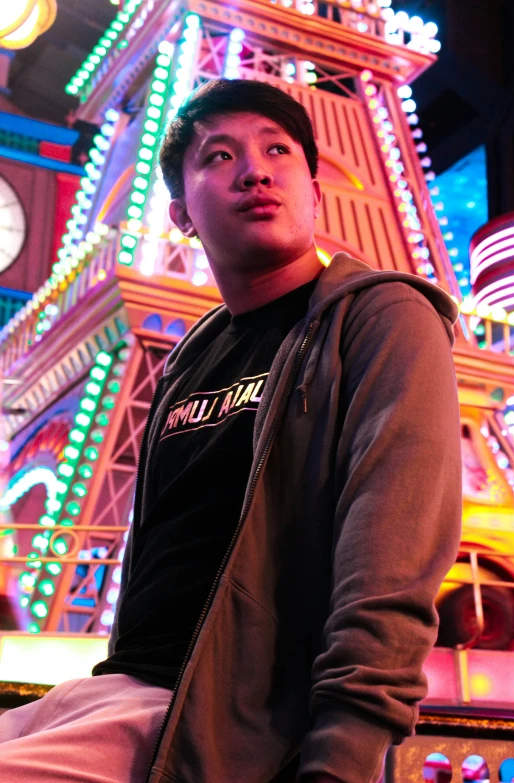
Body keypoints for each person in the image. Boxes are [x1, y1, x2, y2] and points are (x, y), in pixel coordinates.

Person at [0, 78, 462, 783]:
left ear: (316, 188)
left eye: (279, 149)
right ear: (181, 212)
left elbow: (390, 569)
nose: (255, 169)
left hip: (215, 720)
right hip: (109, 693)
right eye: (219, 156)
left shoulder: (382, 319)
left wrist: (340, 758)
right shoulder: (187, 360)